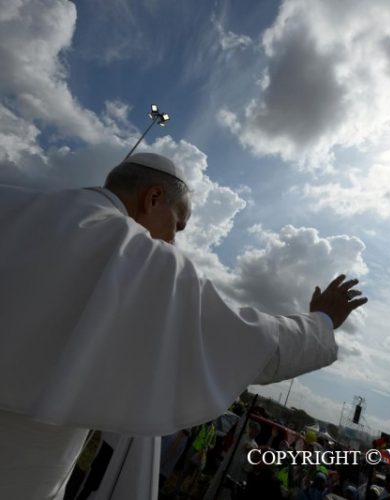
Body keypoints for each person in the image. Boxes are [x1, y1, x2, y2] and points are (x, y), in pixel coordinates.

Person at [0, 152, 367, 499]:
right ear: (153, 198)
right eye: (177, 225)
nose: (173, 240)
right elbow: (254, 346)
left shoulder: (10, 201)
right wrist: (322, 321)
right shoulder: (137, 256)